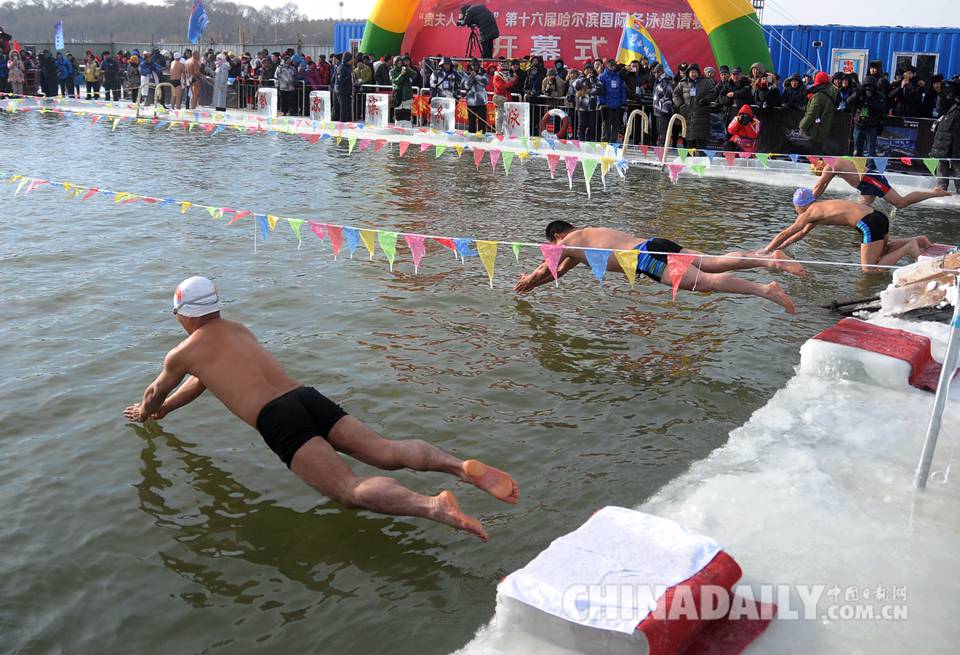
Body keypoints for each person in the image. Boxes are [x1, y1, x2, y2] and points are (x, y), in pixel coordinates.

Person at [123, 277, 519, 542]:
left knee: (348, 489)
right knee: (386, 450)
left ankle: (433, 505)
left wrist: (146, 411)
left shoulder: (183, 352)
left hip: (276, 417)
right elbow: (201, 382)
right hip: (305, 397)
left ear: (185, 313)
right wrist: (166, 410)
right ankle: (458, 467)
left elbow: (156, 389)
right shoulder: (238, 329)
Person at [514, 221, 802, 314]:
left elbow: (545, 269)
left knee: (705, 282)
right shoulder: (584, 241)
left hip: (645, 258)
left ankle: (766, 290)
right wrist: (534, 284)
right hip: (655, 243)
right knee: (712, 262)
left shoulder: (569, 242)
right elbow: (557, 272)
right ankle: (767, 258)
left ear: (557, 236)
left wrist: (528, 281)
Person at [764, 189, 932, 272]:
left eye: (795, 207)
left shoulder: (809, 213)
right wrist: (780, 248)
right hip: (878, 216)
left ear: (800, 205)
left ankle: (909, 248)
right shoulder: (822, 207)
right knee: (883, 251)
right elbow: (801, 234)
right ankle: (918, 240)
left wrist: (766, 251)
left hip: (868, 223)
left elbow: (786, 233)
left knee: (869, 269)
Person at [810, 157, 949, 208]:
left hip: (870, 180)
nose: (820, 172)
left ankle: (934, 193)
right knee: (859, 210)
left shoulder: (830, 165)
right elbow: (822, 185)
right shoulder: (832, 162)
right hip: (865, 184)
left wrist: (808, 202)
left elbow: (820, 185)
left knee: (901, 203)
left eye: (818, 170)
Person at [672, 63, 715, 150]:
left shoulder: (706, 82)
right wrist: (680, 105)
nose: (693, 74)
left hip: (701, 116)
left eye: (695, 72)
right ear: (688, 73)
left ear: (698, 73)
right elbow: (675, 94)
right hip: (688, 116)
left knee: (701, 145)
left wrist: (705, 99)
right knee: (689, 144)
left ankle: (702, 158)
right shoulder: (683, 83)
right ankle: (690, 158)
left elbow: (713, 92)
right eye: (691, 72)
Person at [930, 78, 960, 192]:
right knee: (942, 161)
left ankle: (959, 187)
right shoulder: (945, 97)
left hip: (957, 136)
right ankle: (941, 187)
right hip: (944, 135)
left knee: (957, 162)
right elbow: (940, 109)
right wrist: (942, 93)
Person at [798, 71, 838, 154]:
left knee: (813, 153)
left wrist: (802, 126)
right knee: (818, 150)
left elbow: (811, 114)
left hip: (815, 129)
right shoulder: (831, 90)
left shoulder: (819, 96)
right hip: (824, 125)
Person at [849, 76, 885, 157]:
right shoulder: (860, 94)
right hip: (858, 125)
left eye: (870, 87)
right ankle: (857, 164)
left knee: (871, 151)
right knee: (857, 150)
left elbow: (881, 108)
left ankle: (870, 164)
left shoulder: (878, 96)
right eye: (866, 87)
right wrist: (858, 93)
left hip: (871, 126)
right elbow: (848, 101)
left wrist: (870, 102)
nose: (868, 89)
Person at [597, 58, 626, 143]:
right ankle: (604, 143)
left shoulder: (619, 77)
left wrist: (623, 103)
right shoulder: (602, 77)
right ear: (607, 66)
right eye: (611, 66)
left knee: (616, 125)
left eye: (614, 66)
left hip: (617, 105)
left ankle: (613, 143)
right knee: (606, 125)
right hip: (606, 105)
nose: (613, 67)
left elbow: (622, 91)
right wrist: (601, 103)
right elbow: (600, 91)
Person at [572, 62, 602, 142]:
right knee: (582, 125)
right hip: (582, 107)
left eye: (590, 69)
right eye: (587, 69)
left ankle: (590, 141)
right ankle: (581, 141)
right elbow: (576, 86)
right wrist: (586, 80)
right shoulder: (579, 79)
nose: (589, 71)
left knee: (592, 126)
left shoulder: (595, 79)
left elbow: (600, 89)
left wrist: (588, 91)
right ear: (584, 70)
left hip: (592, 107)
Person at [461, 58, 489, 132]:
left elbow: (485, 83)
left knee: (482, 122)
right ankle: (471, 136)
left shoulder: (483, 72)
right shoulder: (467, 73)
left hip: (481, 101)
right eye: (473, 65)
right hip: (471, 102)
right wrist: (471, 76)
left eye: (476, 65)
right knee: (471, 122)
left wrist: (476, 76)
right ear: (471, 65)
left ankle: (481, 136)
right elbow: (466, 86)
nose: (475, 66)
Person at [651, 64, 675, 147]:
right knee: (659, 131)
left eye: (658, 72)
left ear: (663, 71)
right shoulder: (657, 81)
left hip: (664, 109)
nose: (656, 74)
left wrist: (661, 104)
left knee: (663, 131)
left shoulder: (667, 80)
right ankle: (661, 147)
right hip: (657, 109)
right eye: (655, 72)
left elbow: (668, 94)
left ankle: (663, 148)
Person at [390, 55, 418, 122]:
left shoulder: (406, 69)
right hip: (397, 95)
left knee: (407, 114)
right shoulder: (392, 71)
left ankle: (407, 125)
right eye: (398, 63)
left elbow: (415, 74)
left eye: (401, 63)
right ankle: (398, 125)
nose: (399, 64)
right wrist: (401, 74)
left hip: (407, 95)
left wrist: (407, 68)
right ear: (395, 63)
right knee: (398, 115)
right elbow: (395, 81)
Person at [334, 51, 353, 121]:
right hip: (341, 90)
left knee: (347, 107)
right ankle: (342, 121)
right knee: (343, 107)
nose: (352, 60)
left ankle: (345, 120)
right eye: (351, 59)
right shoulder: (341, 67)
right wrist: (349, 76)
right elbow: (340, 80)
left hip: (346, 90)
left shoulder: (349, 67)